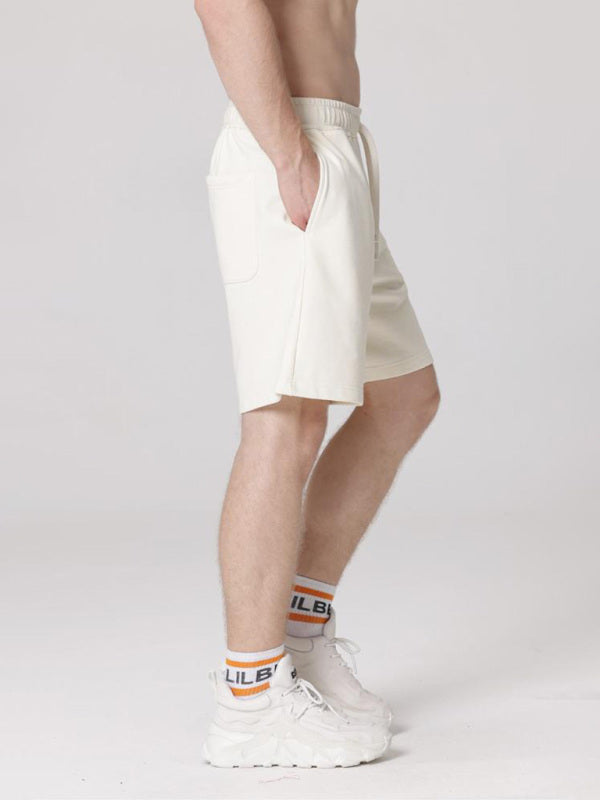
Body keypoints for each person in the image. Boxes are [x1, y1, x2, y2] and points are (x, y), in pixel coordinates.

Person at [196, 0, 440, 768]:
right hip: (290, 143)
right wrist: (288, 154)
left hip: (337, 139)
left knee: (403, 395)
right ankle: (248, 701)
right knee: (285, 420)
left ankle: (298, 634)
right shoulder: (289, 153)